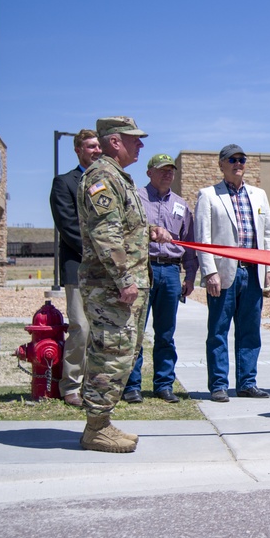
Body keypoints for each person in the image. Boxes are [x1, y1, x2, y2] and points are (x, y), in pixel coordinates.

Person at [77, 116, 172, 453]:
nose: (140, 145)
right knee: (110, 354)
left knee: (122, 353)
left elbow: (123, 227)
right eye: (135, 140)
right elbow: (105, 234)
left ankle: (102, 421)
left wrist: (150, 231)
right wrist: (124, 279)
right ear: (115, 141)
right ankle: (96, 428)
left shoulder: (118, 177)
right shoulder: (101, 177)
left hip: (122, 285)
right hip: (111, 286)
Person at [194, 144, 270, 402]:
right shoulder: (209, 195)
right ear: (221, 164)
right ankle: (219, 384)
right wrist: (210, 272)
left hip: (253, 273)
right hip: (224, 275)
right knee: (218, 330)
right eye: (232, 159)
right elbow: (203, 238)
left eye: (242, 159)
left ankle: (247, 382)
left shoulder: (258, 195)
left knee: (250, 331)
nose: (238, 163)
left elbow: (268, 234)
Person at [121, 153, 199, 405]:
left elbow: (189, 243)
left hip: (171, 272)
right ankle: (131, 386)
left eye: (171, 170)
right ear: (149, 173)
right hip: (143, 269)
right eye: (162, 169)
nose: (168, 174)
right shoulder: (136, 199)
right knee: (136, 332)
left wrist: (190, 275)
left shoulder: (180, 204)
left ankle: (164, 384)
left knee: (166, 333)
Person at [49, 129, 101, 407]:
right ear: (78, 150)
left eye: (98, 146)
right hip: (79, 265)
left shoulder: (107, 180)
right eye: (91, 146)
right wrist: (99, 252)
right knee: (80, 326)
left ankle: (96, 385)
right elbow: (68, 225)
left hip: (107, 269)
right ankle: (70, 385)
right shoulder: (64, 183)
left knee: (101, 330)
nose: (97, 151)